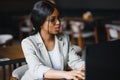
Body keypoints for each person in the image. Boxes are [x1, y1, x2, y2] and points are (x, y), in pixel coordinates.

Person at [21, 0, 85, 80]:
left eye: (58, 18)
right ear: (40, 22)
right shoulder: (28, 43)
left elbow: (75, 61)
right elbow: (36, 69)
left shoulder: (64, 38)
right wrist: (65, 74)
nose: (58, 22)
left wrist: (87, 66)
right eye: (52, 20)